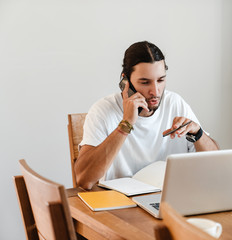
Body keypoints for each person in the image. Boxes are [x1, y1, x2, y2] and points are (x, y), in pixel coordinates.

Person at [75, 41, 219, 189]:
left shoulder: (175, 103)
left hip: (169, 200)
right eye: (145, 82)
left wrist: (198, 133)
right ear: (125, 81)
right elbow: (84, 179)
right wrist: (126, 124)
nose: (155, 92)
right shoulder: (103, 110)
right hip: (121, 204)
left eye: (161, 80)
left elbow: (217, 167)